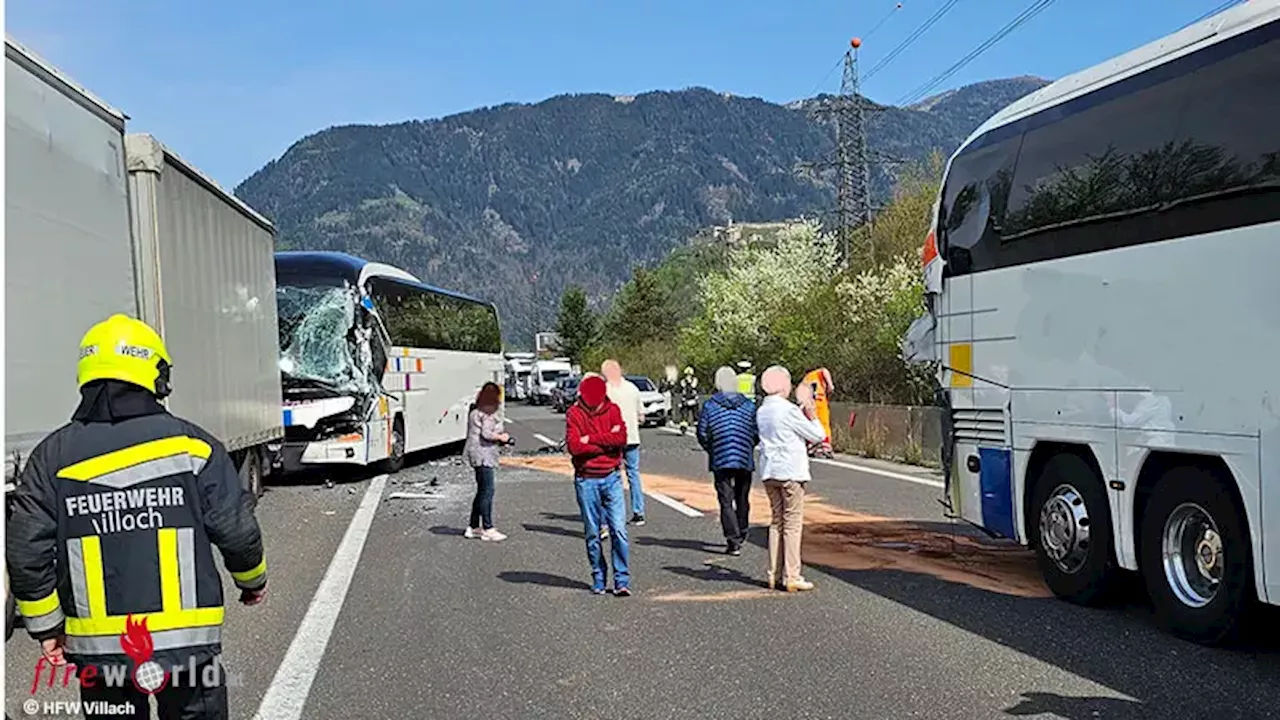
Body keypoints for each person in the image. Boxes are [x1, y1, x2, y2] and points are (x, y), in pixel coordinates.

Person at [6, 314, 267, 720]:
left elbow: (25, 550)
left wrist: (46, 627)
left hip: (98, 652)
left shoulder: (51, 457)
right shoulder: (193, 447)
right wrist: (252, 582)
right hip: (188, 649)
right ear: (154, 373)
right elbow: (236, 529)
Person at [756, 365, 827, 592]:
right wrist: (813, 414)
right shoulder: (788, 410)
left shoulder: (762, 410)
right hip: (790, 471)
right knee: (793, 524)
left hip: (769, 470)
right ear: (783, 385)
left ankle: (773, 574)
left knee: (776, 522)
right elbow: (817, 435)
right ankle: (792, 575)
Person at [565, 374, 632, 596]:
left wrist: (590, 439)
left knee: (619, 530)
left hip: (612, 476)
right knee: (593, 532)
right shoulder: (574, 413)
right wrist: (605, 440)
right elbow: (575, 447)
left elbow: (621, 437)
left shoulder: (613, 410)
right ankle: (599, 577)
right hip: (586, 479)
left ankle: (621, 580)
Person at [696, 367, 759, 556]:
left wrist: (712, 449)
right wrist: (748, 445)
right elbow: (756, 432)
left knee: (725, 500)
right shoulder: (748, 405)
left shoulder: (709, 405)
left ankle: (732, 541)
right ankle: (742, 531)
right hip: (743, 456)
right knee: (742, 497)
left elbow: (702, 433)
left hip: (720, 457)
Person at [463, 382, 510, 541]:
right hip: (485, 455)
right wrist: (502, 437)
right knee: (488, 491)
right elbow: (487, 434)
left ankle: (474, 526)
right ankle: (488, 528)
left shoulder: (475, 412)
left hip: (474, 454)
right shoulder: (487, 414)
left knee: (481, 490)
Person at [601, 360, 646, 526]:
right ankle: (638, 511)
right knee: (633, 474)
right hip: (632, 437)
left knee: (614, 475)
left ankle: (616, 512)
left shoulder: (606, 390)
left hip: (613, 439)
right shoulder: (633, 388)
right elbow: (642, 415)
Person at [800, 368, 835, 458]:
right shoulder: (816, 374)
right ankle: (824, 446)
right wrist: (830, 385)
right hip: (819, 401)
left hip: (810, 403)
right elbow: (824, 370)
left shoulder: (806, 379)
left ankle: (812, 445)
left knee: (811, 424)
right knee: (824, 423)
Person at [677, 366, 700, 434]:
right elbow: (680, 390)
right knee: (684, 416)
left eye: (689, 375)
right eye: (687, 375)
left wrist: (689, 382)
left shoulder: (695, 380)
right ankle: (683, 429)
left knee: (696, 417)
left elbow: (693, 387)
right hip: (685, 401)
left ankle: (698, 430)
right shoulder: (682, 381)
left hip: (693, 400)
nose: (688, 376)